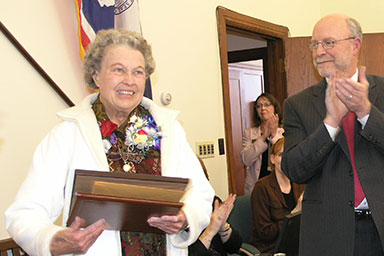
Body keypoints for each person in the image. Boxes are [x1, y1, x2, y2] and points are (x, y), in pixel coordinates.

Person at [5, 29, 214, 256]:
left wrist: (186, 219)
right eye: (118, 70)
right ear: (96, 76)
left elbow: (201, 194)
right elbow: (23, 213)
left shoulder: (168, 129)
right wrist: (50, 241)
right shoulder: (67, 135)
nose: (129, 81)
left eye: (138, 71)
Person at [281, 14, 384, 255]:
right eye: (314, 44)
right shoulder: (297, 104)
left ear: (355, 44)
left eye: (328, 43)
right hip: (329, 233)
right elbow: (294, 169)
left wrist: (365, 111)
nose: (318, 52)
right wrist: (330, 123)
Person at [250, 137, 304, 253]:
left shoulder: (299, 183)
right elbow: (265, 232)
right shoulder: (262, 187)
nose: (285, 160)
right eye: (281, 155)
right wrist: (294, 214)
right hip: (271, 248)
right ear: (273, 159)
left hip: (296, 242)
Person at [189, 158, 242, 256]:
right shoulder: (177, 215)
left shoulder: (213, 202)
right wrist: (210, 231)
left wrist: (223, 227)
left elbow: (234, 247)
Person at [241, 93, 284, 194]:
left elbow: (286, 156)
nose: (263, 108)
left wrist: (273, 135)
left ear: (275, 108)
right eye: (259, 106)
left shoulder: (284, 132)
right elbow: (245, 160)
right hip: (257, 186)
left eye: (266, 104)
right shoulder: (249, 133)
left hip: (279, 185)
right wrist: (263, 137)